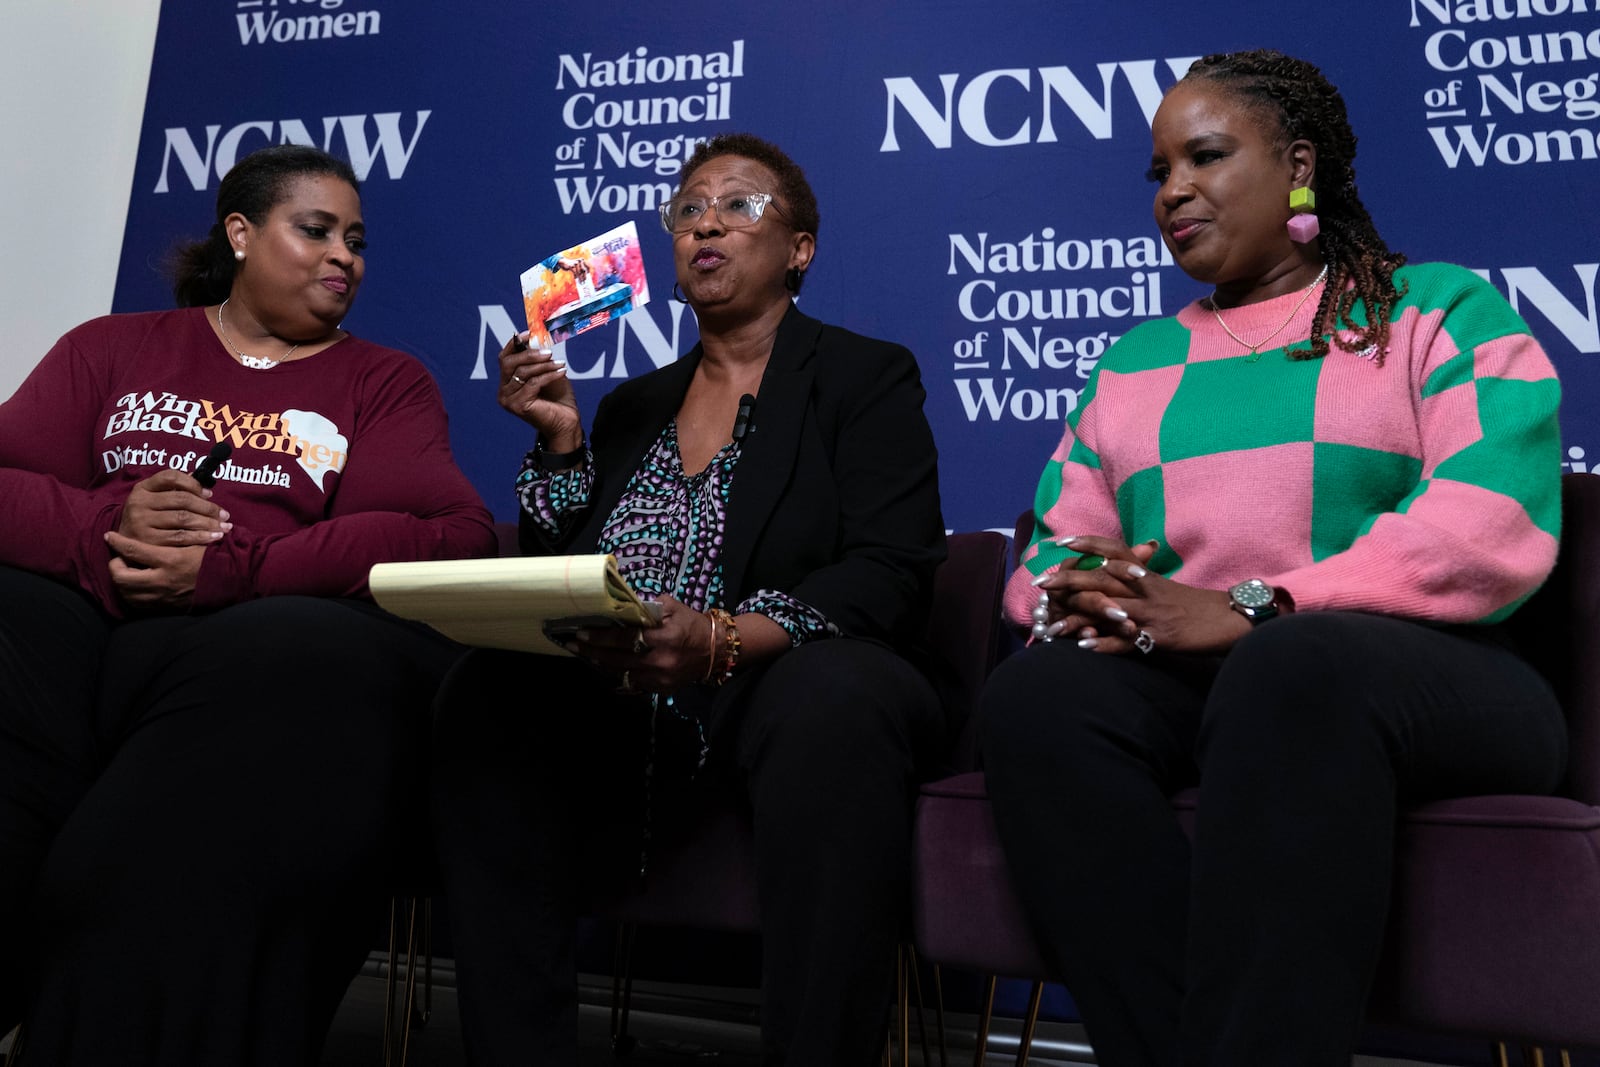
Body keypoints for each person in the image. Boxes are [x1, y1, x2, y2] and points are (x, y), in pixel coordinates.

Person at [978, 50, 1565, 1067]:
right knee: (1035, 700)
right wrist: (1088, 590)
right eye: (1157, 172)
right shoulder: (1134, 362)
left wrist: (1259, 603)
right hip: (1216, 681)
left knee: (1294, 664)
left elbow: (1486, 525)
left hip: (1435, 679)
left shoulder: (1438, 309)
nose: (1173, 191)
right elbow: (1052, 548)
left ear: (1299, 165)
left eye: (1204, 156)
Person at [430, 132, 947, 1066]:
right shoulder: (633, 406)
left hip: (773, 686)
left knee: (835, 698)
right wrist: (558, 442)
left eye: (739, 205)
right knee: (486, 687)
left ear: (800, 249)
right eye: (688, 208)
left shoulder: (865, 378)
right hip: (624, 698)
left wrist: (722, 637)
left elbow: (891, 565)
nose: (706, 220)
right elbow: (563, 562)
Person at [0, 143, 496, 1064]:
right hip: (88, 632)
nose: (344, 256)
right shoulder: (112, 348)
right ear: (240, 233)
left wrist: (239, 566)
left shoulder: (379, 381)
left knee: (294, 654)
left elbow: (447, 529)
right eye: (315, 230)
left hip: (244, 648)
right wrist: (109, 527)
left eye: (355, 240)